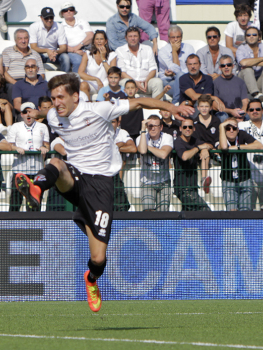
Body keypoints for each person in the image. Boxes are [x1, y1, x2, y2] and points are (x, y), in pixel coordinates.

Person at [14, 74, 193, 312]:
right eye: (53, 98)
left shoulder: (99, 109)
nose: (56, 103)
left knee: (98, 259)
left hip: (100, 186)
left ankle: (91, 279)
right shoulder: (53, 117)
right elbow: (44, 122)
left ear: (75, 96)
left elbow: (139, 103)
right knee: (57, 164)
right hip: (76, 177)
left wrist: (172, 107)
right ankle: (36, 188)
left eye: (61, 97)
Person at [7, 102, 49, 211]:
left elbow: (47, 144)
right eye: (25, 112)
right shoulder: (15, 127)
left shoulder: (43, 127)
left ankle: (34, 226)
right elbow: (9, 145)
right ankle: (12, 225)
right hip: (19, 169)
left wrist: (44, 147)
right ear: (21, 114)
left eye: (30, 111)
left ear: (35, 113)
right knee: (15, 202)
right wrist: (16, 148)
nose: (28, 114)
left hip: (37, 169)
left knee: (34, 204)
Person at [218, 117, 263, 211]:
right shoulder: (221, 136)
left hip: (244, 179)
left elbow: (259, 146)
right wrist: (221, 126)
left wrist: (238, 147)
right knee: (232, 212)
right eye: (228, 128)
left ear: (238, 129)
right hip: (228, 180)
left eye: (234, 128)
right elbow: (223, 147)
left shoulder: (242, 134)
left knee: (245, 211)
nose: (231, 130)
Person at [173, 118, 211, 211]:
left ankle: (203, 179)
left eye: (190, 127)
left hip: (193, 186)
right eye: (185, 127)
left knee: (188, 215)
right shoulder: (178, 141)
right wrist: (198, 148)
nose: (187, 129)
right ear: (180, 128)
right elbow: (184, 156)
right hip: (182, 188)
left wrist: (205, 149)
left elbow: (210, 145)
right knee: (205, 210)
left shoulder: (195, 140)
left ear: (194, 128)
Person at [137, 115, 173, 211]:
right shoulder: (141, 137)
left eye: (155, 126)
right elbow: (143, 151)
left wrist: (148, 147)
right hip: (147, 181)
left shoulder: (167, 137)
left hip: (164, 181)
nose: (152, 128)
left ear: (161, 127)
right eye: (150, 126)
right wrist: (143, 130)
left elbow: (163, 154)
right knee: (148, 212)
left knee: (163, 213)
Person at [116, 27, 164, 99]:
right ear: (126, 38)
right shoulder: (120, 50)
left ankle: (157, 108)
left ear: (139, 37)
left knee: (158, 82)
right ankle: (126, 108)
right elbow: (122, 72)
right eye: (130, 36)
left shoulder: (147, 49)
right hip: (130, 83)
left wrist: (146, 80)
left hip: (146, 83)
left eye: (135, 36)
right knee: (123, 82)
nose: (133, 38)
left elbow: (153, 69)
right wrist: (134, 82)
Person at [236, 26, 263, 102]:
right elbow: (243, 63)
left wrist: (250, 62)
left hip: (259, 82)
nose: (251, 37)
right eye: (248, 35)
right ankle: (255, 94)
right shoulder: (241, 48)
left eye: (254, 35)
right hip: (245, 83)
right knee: (247, 69)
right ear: (245, 38)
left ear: (259, 37)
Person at [158, 26, 195, 104]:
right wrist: (174, 51)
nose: (175, 39)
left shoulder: (189, 48)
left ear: (181, 37)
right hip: (167, 82)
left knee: (181, 78)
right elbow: (176, 69)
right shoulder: (162, 52)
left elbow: (191, 68)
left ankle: (175, 103)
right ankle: (178, 103)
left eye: (178, 37)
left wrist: (177, 74)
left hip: (186, 80)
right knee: (183, 82)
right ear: (168, 38)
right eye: (173, 37)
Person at [78, 30, 117, 98]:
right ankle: (88, 106)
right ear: (94, 41)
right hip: (91, 83)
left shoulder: (112, 55)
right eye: (97, 39)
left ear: (105, 41)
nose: (99, 41)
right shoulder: (87, 54)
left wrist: (103, 58)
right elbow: (80, 73)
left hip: (106, 84)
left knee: (112, 84)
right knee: (83, 85)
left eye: (101, 39)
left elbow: (112, 74)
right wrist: (96, 79)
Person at [29, 7, 69, 72]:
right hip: (40, 53)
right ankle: (38, 80)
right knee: (34, 57)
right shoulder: (34, 26)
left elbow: (63, 47)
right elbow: (33, 47)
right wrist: (47, 51)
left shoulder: (59, 26)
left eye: (51, 17)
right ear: (41, 18)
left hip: (54, 54)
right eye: (46, 18)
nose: (49, 20)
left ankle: (64, 79)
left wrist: (54, 52)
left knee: (66, 58)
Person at [59, 2, 93, 74]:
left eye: (71, 9)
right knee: (78, 61)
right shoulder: (60, 26)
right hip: (70, 50)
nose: (68, 11)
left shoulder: (82, 21)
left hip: (87, 48)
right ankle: (76, 81)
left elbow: (91, 35)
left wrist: (79, 46)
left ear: (74, 11)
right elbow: (60, 44)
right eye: (65, 10)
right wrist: (75, 51)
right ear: (62, 13)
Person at [213, 55, 249, 121]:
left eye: (228, 65)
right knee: (223, 116)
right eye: (223, 65)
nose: (226, 67)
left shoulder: (240, 81)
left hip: (238, 112)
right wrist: (231, 111)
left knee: (252, 116)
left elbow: (245, 102)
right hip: (224, 112)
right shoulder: (215, 83)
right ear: (220, 68)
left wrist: (242, 114)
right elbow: (215, 105)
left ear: (233, 66)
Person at [111, 116, 136, 212]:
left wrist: (114, 148)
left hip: (116, 176)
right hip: (104, 174)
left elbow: (133, 148)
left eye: (113, 122)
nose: (110, 124)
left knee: (121, 206)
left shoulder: (122, 133)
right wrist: (119, 144)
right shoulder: (101, 133)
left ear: (118, 123)